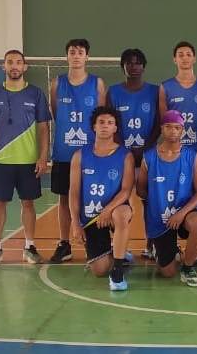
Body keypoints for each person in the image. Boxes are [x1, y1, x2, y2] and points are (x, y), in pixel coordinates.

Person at [0, 50, 51, 266]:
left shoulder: (36, 94)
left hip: (28, 161)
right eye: (10, 62)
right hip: (0, 160)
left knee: (28, 203)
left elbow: (44, 128)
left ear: (25, 67)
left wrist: (43, 157)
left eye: (19, 62)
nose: (14, 66)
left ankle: (29, 246)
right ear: (4, 66)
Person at [49, 38, 106, 264]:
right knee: (64, 198)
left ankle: (99, 242)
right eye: (72, 52)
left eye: (80, 52)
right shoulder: (57, 83)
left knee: (95, 197)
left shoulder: (97, 84)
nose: (76, 55)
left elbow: (101, 116)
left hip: (91, 153)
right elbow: (56, 113)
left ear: (87, 57)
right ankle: (65, 244)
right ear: (67, 56)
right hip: (64, 152)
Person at [136, 110, 197, 286]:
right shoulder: (149, 157)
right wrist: (156, 201)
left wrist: (181, 213)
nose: (173, 131)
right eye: (168, 127)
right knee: (167, 273)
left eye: (177, 127)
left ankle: (188, 268)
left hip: (184, 213)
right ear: (162, 129)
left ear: (182, 130)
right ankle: (170, 250)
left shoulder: (191, 156)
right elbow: (140, 189)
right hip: (160, 217)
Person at [68, 106, 135, 290]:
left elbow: (126, 190)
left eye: (110, 123)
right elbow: (74, 192)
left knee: (122, 214)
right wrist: (75, 222)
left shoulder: (125, 155)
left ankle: (118, 270)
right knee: (99, 270)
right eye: (101, 122)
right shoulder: (79, 156)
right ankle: (119, 253)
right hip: (91, 217)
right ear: (94, 127)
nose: (105, 126)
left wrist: (108, 210)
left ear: (115, 128)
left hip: (114, 210)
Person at [107, 48, 159, 166]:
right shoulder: (113, 92)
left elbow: (158, 124)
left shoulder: (155, 91)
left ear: (143, 67)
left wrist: (146, 148)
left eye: (138, 63)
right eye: (129, 63)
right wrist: (124, 149)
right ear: (123, 67)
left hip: (149, 152)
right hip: (120, 152)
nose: (134, 67)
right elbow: (109, 123)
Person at [159, 41, 197, 154]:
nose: (185, 58)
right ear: (175, 59)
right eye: (180, 55)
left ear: (194, 59)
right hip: (174, 150)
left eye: (188, 54)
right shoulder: (165, 87)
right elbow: (164, 120)